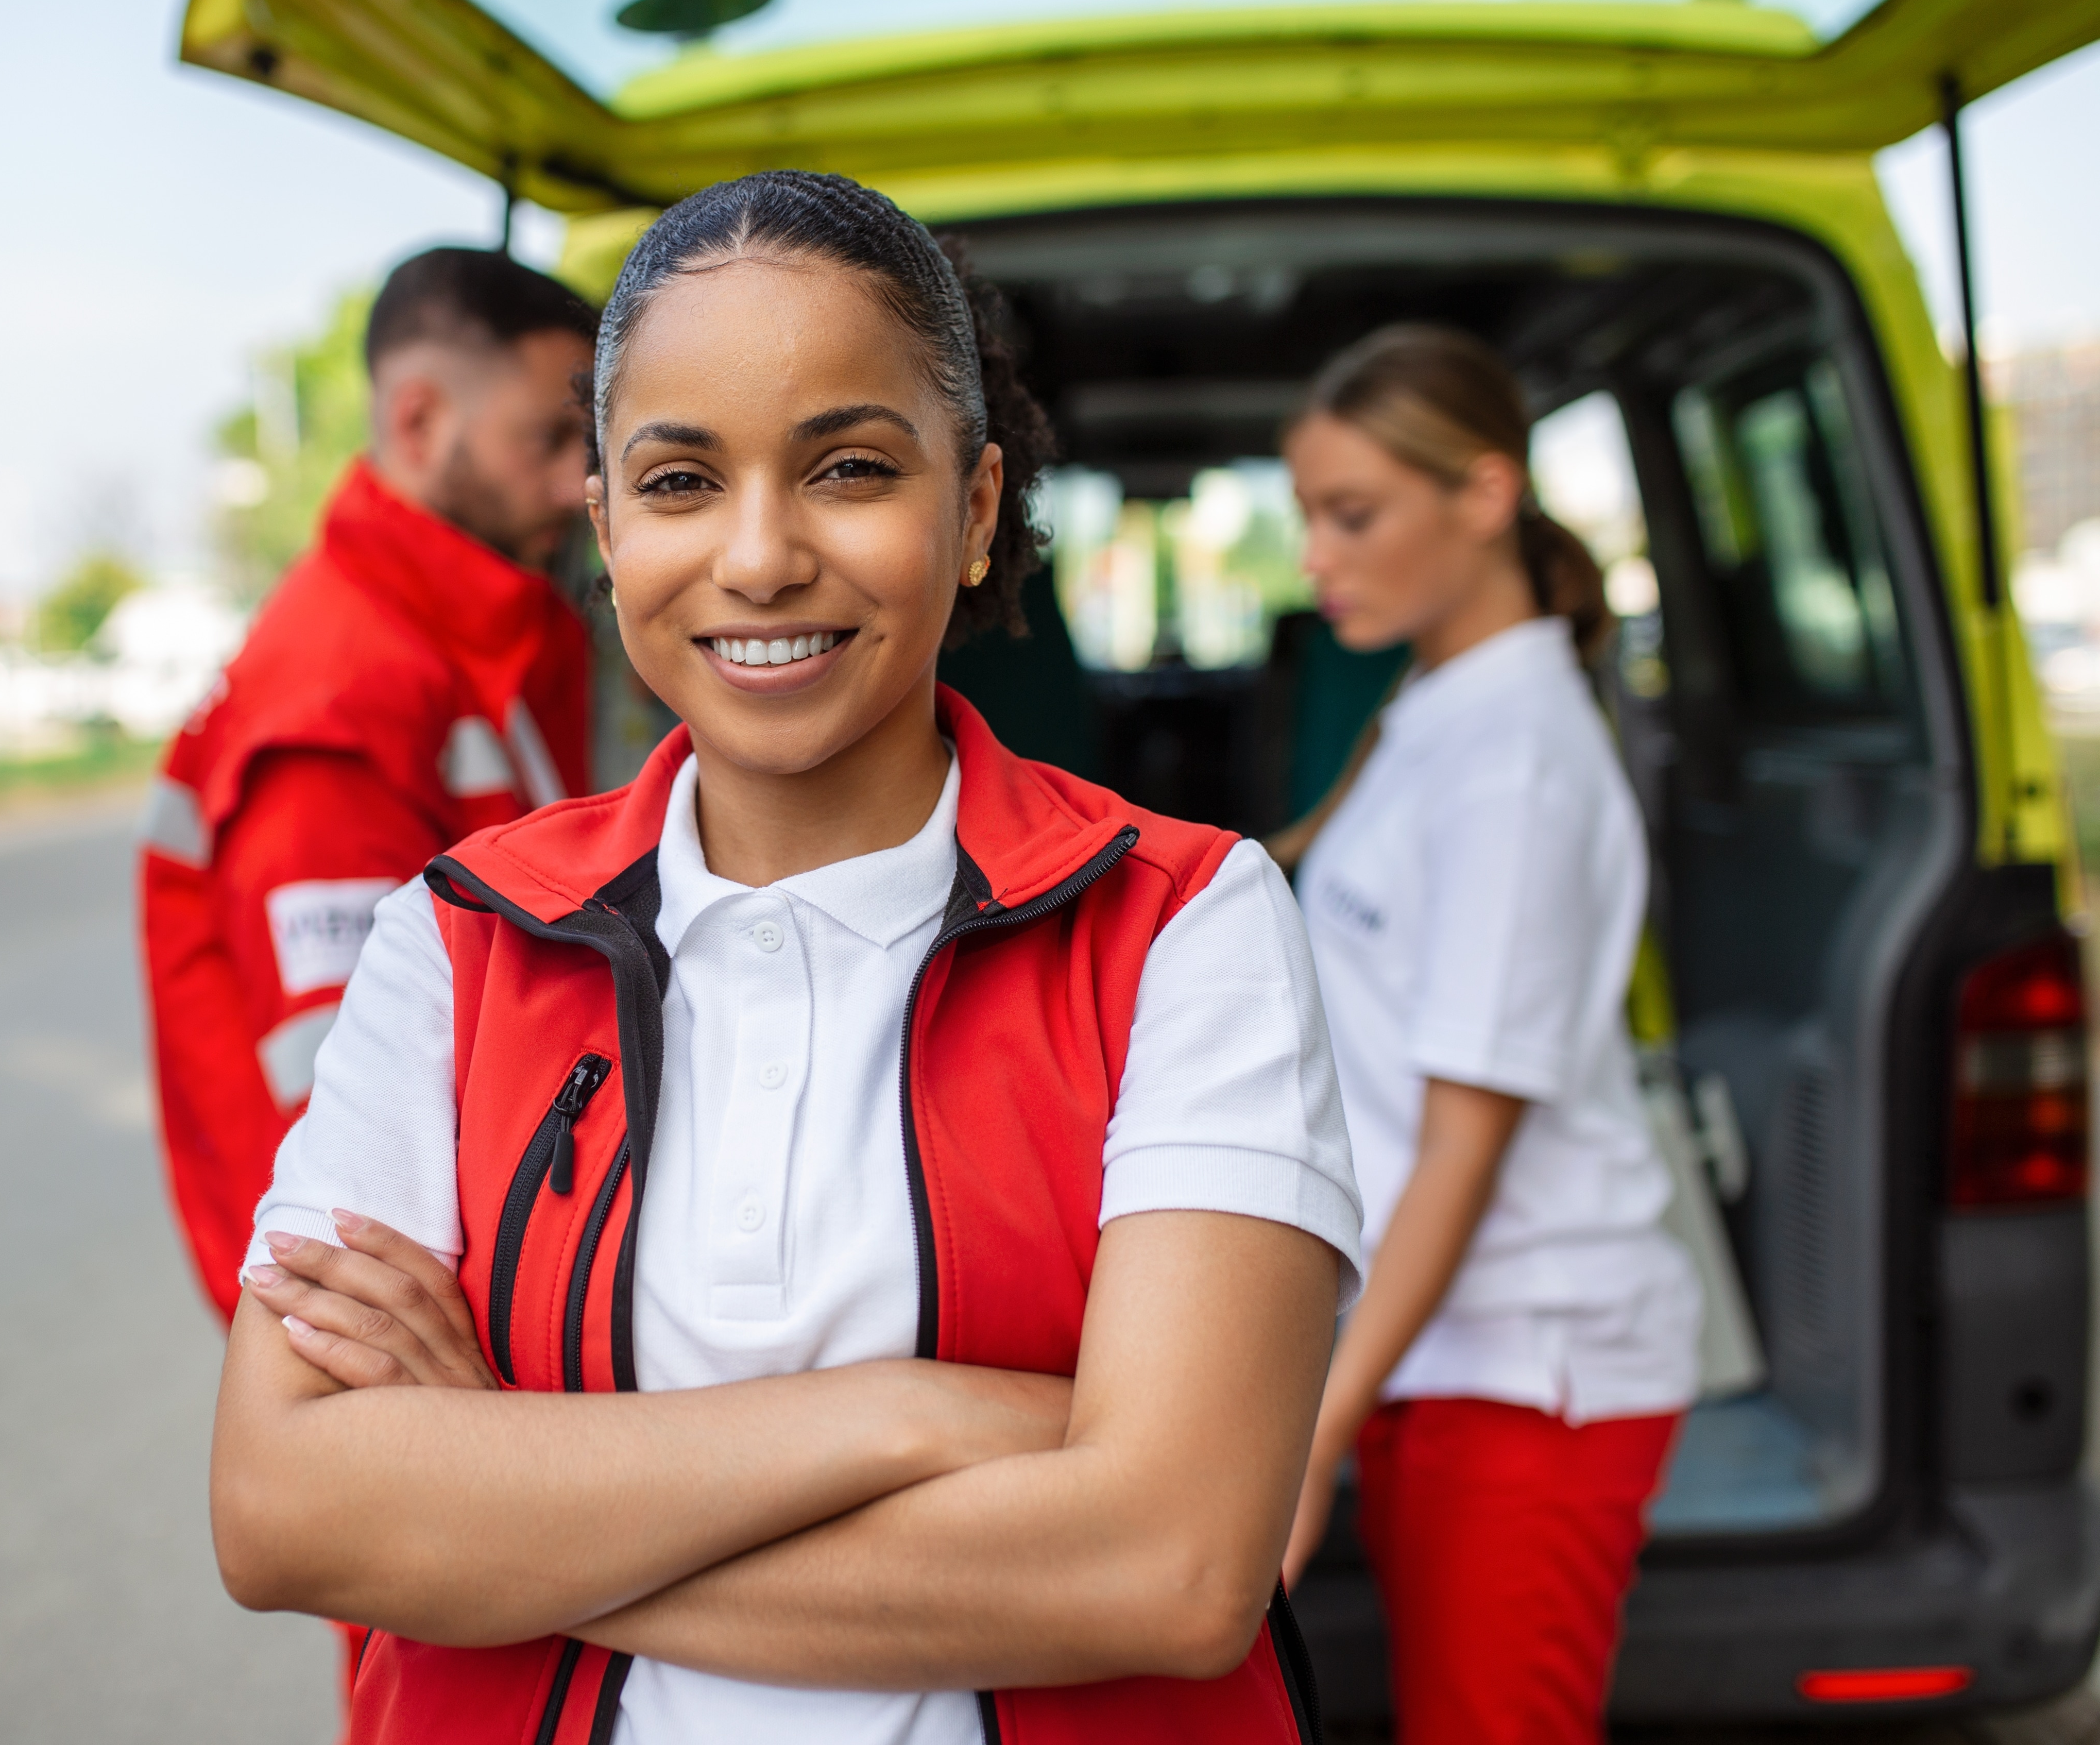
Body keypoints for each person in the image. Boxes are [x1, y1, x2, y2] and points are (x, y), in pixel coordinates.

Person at [210, 170, 1364, 1745]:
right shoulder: (458, 937)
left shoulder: (1183, 923)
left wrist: (501, 1505)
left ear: (974, 511)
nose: (757, 557)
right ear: (608, 527)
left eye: (848, 469)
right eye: (681, 481)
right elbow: (280, 1508)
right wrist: (909, 1417)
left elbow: (1168, 1568)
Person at [1273, 325, 1701, 1743]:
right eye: (1307, 516)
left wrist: (1314, 1432)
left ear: (1485, 492)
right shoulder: (1443, 700)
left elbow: (1466, 1142)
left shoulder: (1515, 761)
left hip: (1529, 1361)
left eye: (1353, 515)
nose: (1316, 558)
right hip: (1438, 1344)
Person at [141, 247, 600, 1324]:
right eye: (546, 440)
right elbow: (353, 1149)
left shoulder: (474, 637)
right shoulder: (337, 699)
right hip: (383, 1331)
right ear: (418, 419)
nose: (574, 486)